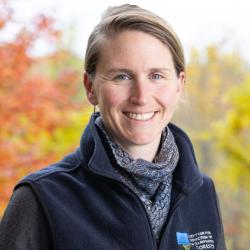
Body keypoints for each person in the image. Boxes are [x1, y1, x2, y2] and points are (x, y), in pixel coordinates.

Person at [0, 4, 226, 250]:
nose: (141, 96)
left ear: (179, 84)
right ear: (90, 87)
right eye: (122, 76)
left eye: (156, 76)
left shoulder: (202, 192)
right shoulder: (41, 199)